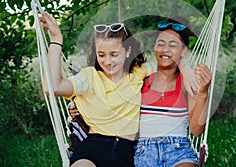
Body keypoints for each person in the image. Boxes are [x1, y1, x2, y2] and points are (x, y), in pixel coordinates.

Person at [40, 12, 198, 167]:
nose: (107, 61)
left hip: (127, 152)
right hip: (93, 147)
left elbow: (168, 60)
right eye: (101, 55)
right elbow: (52, 87)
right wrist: (56, 40)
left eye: (114, 54)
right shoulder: (89, 77)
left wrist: (185, 68)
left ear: (127, 51)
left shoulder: (138, 72)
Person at [134, 17, 211, 167]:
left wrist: (203, 94)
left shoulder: (187, 83)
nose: (165, 49)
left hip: (178, 151)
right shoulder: (142, 79)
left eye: (173, 45)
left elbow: (196, 130)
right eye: (160, 43)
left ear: (183, 50)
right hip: (144, 152)